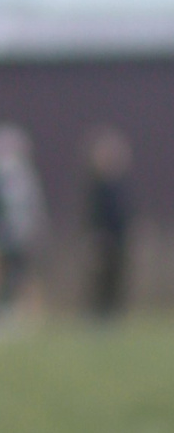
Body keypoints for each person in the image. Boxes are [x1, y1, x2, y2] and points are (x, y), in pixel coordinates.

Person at [0, 123, 46, 320]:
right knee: (5, 276)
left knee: (7, 276)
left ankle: (5, 312)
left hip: (10, 235)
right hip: (9, 235)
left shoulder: (5, 176)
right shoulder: (13, 176)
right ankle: (1, 313)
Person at [87, 128, 133, 319]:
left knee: (118, 277)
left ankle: (113, 313)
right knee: (100, 278)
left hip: (120, 238)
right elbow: (93, 215)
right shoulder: (97, 187)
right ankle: (99, 313)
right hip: (103, 239)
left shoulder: (121, 185)